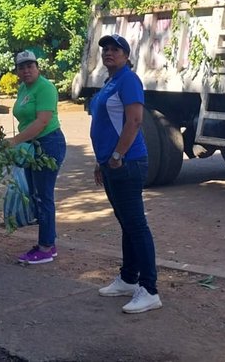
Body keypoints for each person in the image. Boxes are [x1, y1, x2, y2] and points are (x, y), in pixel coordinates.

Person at [89, 34, 162, 314]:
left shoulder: (129, 80)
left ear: (126, 56)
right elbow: (105, 126)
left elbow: (134, 121)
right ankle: (129, 278)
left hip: (128, 163)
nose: (109, 52)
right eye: (105, 49)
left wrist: (118, 156)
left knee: (136, 224)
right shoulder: (110, 83)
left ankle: (150, 288)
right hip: (111, 164)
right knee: (126, 222)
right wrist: (102, 161)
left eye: (115, 49)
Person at [8, 50, 66, 265]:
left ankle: (45, 248)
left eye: (30, 66)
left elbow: (42, 121)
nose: (26, 70)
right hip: (31, 147)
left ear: (37, 67)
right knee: (35, 194)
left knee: (43, 196)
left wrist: (15, 141)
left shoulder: (45, 88)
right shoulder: (23, 88)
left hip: (48, 144)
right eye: (21, 67)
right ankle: (48, 241)